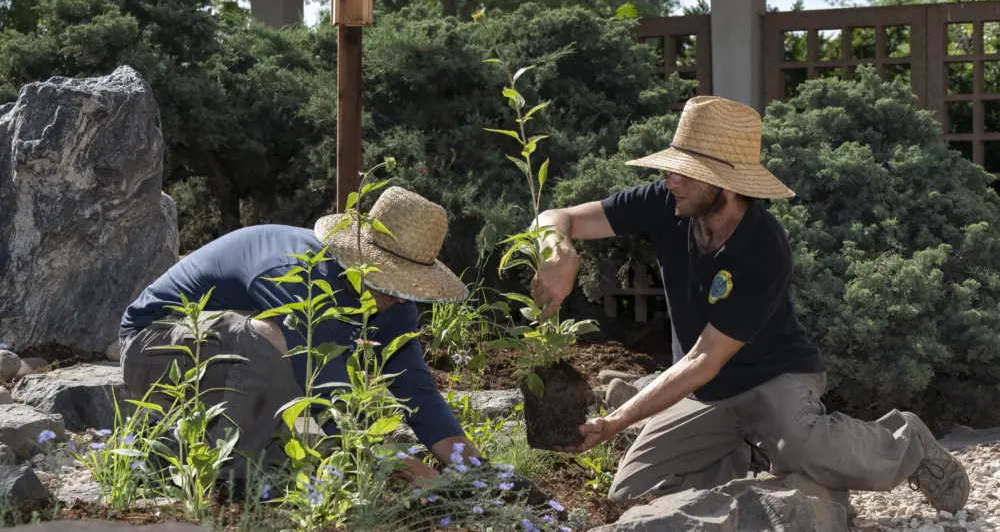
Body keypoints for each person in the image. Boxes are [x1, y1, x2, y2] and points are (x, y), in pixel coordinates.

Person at [528, 96, 971, 514]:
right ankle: (758, 457)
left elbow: (703, 359)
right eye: (672, 170)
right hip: (704, 394)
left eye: (686, 173)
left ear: (726, 182)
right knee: (633, 494)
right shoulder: (665, 203)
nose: (671, 181)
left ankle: (905, 443)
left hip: (773, 377)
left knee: (802, 443)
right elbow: (555, 217)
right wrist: (558, 251)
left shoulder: (764, 247)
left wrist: (617, 420)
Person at [118, 186, 481, 489]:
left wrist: (477, 472)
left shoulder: (394, 302)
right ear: (359, 259)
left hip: (222, 366)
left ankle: (198, 456)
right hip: (155, 350)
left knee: (278, 356)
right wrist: (406, 469)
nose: (400, 297)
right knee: (273, 338)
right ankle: (234, 479)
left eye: (406, 286)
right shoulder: (300, 275)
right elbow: (328, 392)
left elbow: (417, 391)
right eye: (390, 280)